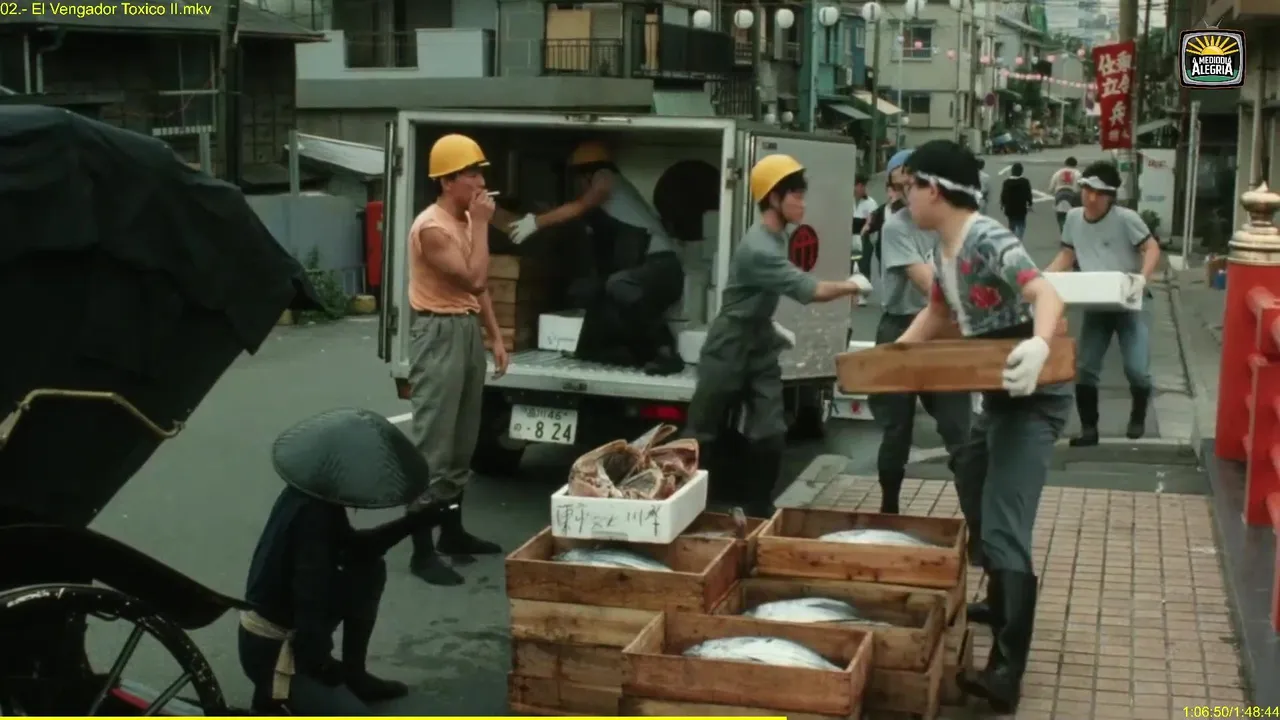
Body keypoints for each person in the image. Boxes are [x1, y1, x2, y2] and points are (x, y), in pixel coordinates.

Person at [897, 140, 1070, 713]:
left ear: (935, 189)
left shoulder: (987, 237)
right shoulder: (943, 249)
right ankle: (999, 600)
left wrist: (1040, 344)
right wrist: (888, 360)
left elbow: (1044, 292)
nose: (905, 196)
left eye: (910, 186)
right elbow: (936, 313)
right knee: (970, 478)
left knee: (1002, 523)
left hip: (1034, 396)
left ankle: (1005, 672)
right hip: (997, 398)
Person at [685, 154, 871, 518]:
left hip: (759, 339)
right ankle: (689, 507)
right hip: (729, 342)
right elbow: (810, 290)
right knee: (703, 430)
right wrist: (853, 284)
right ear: (773, 197)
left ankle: (758, 509)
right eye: (796, 196)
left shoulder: (778, 236)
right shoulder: (759, 247)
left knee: (769, 430)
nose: (802, 204)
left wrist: (767, 322)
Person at [239, 409, 450, 713]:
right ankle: (274, 696)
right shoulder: (313, 518)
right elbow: (309, 598)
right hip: (273, 648)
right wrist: (321, 665)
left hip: (283, 634)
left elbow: (355, 551)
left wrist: (413, 523)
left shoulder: (312, 497)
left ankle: (354, 675)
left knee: (369, 568)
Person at [405, 133, 508, 587]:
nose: (480, 183)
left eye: (480, 174)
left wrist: (495, 336)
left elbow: (479, 294)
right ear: (447, 181)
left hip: (463, 329)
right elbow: (475, 279)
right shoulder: (433, 228)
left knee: (463, 440)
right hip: (437, 333)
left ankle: (452, 532)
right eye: (471, 174)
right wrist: (483, 225)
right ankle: (421, 551)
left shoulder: (464, 220)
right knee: (434, 445)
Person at [508, 141, 685, 375]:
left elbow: (585, 202)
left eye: (577, 177)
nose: (577, 185)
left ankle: (666, 351)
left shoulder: (606, 177)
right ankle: (595, 351)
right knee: (595, 289)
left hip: (664, 267)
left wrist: (537, 222)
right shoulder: (609, 206)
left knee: (620, 284)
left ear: (588, 174)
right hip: (648, 270)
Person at [870, 147, 972, 515]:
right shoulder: (897, 227)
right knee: (897, 429)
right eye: (901, 185)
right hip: (902, 326)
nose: (906, 193)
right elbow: (927, 284)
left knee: (960, 430)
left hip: (945, 331)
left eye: (914, 184)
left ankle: (975, 520)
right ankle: (889, 510)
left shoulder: (955, 223)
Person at [1045, 161, 1161, 445]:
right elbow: (1067, 254)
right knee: (1085, 367)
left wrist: (1142, 278)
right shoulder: (1073, 218)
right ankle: (1089, 429)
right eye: (1087, 190)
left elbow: (1151, 248)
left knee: (1137, 369)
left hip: (1128, 302)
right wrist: (1044, 278)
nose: (1092, 198)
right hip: (1096, 302)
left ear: (1110, 196)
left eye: (1099, 193)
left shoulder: (1126, 218)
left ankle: (1138, 412)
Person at [851, 175, 880, 307]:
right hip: (848, 235)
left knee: (863, 265)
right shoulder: (847, 199)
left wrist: (863, 232)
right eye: (859, 185)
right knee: (849, 265)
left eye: (863, 186)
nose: (862, 188)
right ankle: (849, 293)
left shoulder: (870, 202)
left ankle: (862, 294)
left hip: (863, 236)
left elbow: (871, 221)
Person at [999, 163, 1033, 239]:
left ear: (1012, 171)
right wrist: (1030, 203)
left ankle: (1012, 239)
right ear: (1021, 171)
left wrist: (1002, 204)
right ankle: (1019, 239)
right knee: (1021, 225)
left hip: (1010, 208)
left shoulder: (1006, 182)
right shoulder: (1025, 182)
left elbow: (1003, 195)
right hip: (1021, 207)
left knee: (1011, 224)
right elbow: (1028, 194)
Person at [1048, 156, 1080, 231]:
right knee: (1074, 218)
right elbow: (1079, 188)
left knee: (1061, 218)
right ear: (1075, 165)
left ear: (1065, 164)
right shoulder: (1077, 173)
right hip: (1072, 196)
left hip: (1060, 195)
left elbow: (1051, 188)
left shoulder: (1058, 173)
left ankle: (1063, 233)